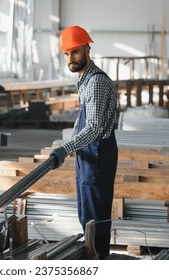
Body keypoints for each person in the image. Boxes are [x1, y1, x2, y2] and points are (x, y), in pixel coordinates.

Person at [50, 25, 118, 259]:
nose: (71, 58)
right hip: (88, 153)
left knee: (95, 215)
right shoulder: (84, 79)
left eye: (76, 52)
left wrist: (66, 148)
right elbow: (84, 124)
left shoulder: (96, 82)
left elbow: (95, 127)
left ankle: (98, 259)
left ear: (88, 49)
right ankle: (94, 256)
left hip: (98, 154)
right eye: (67, 53)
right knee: (86, 210)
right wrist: (71, 145)